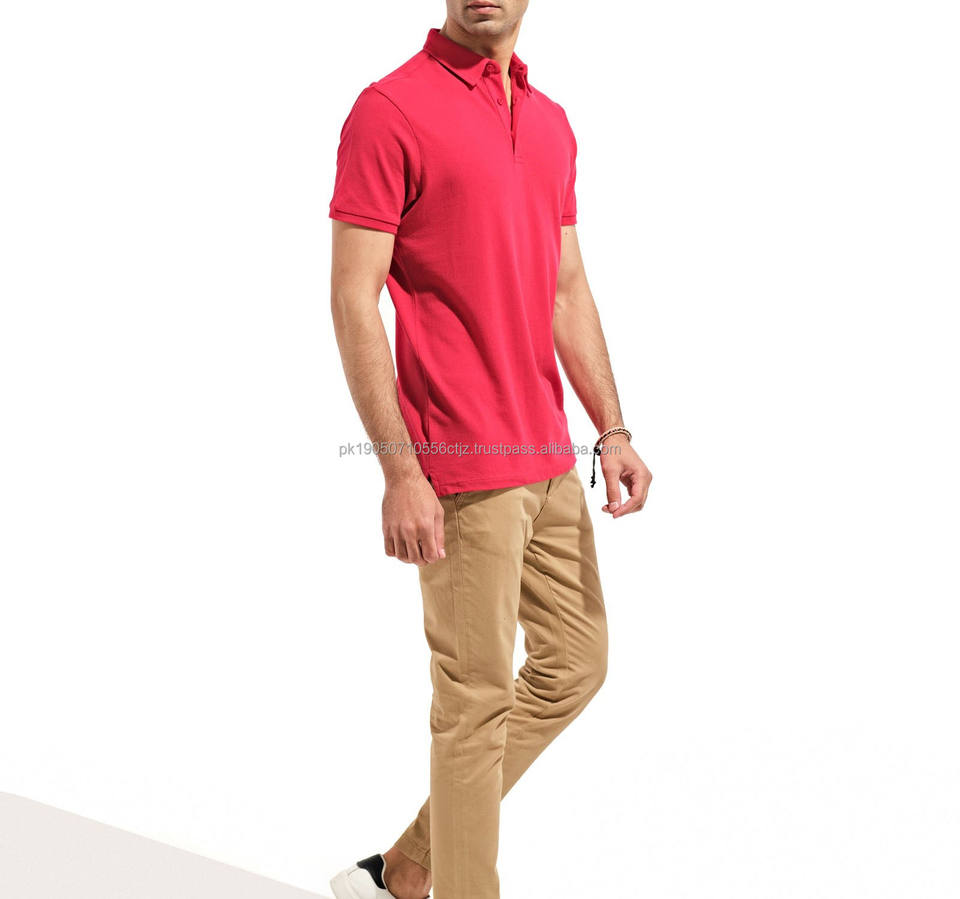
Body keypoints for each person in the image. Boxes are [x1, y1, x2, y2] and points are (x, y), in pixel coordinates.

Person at [328, 3, 652, 897]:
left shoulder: (550, 122)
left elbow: (566, 286)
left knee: (575, 662)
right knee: (472, 705)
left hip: (547, 456)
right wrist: (400, 469)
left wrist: (611, 428)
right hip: (460, 462)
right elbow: (354, 298)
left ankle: (406, 866)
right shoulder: (389, 110)